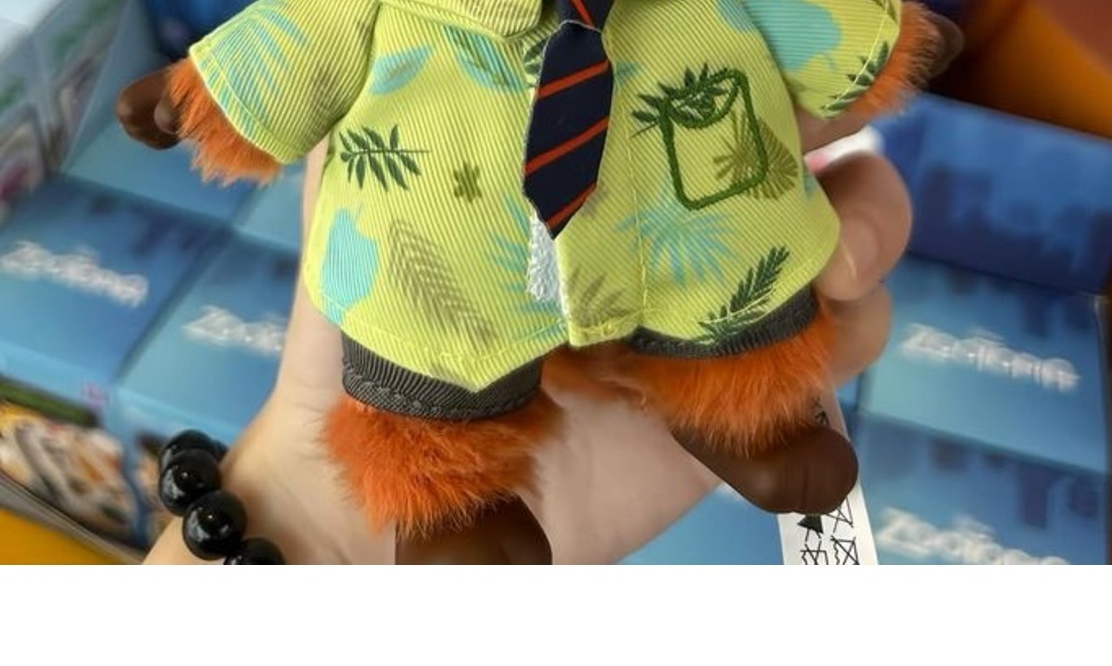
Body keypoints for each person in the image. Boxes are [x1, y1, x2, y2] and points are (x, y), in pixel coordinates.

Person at [143, 97, 912, 565]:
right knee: (428, 341)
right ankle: (449, 512)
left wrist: (878, 39)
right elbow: (302, 37)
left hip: (661, 169)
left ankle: (740, 407)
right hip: (445, 227)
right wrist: (203, 92)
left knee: (724, 245)